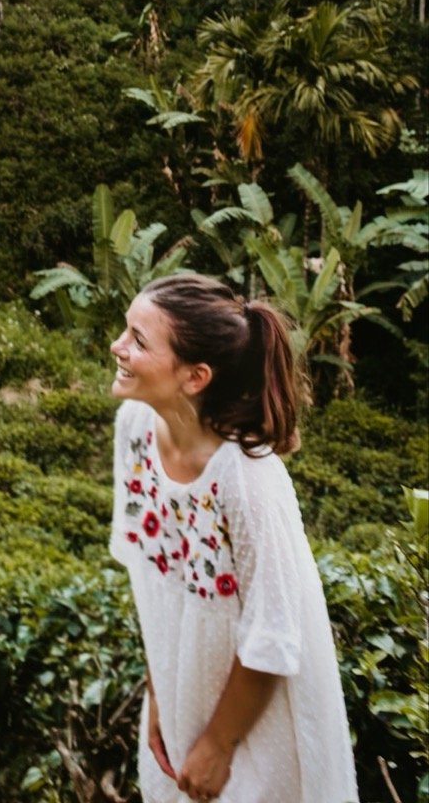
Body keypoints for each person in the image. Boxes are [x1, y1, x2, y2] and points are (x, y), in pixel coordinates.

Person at [109, 274, 359, 803]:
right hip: (180, 704)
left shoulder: (246, 478)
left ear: (195, 376)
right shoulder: (133, 426)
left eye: (138, 339)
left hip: (255, 729)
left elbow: (274, 629)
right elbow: (150, 573)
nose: (118, 346)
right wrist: (160, 696)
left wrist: (218, 744)